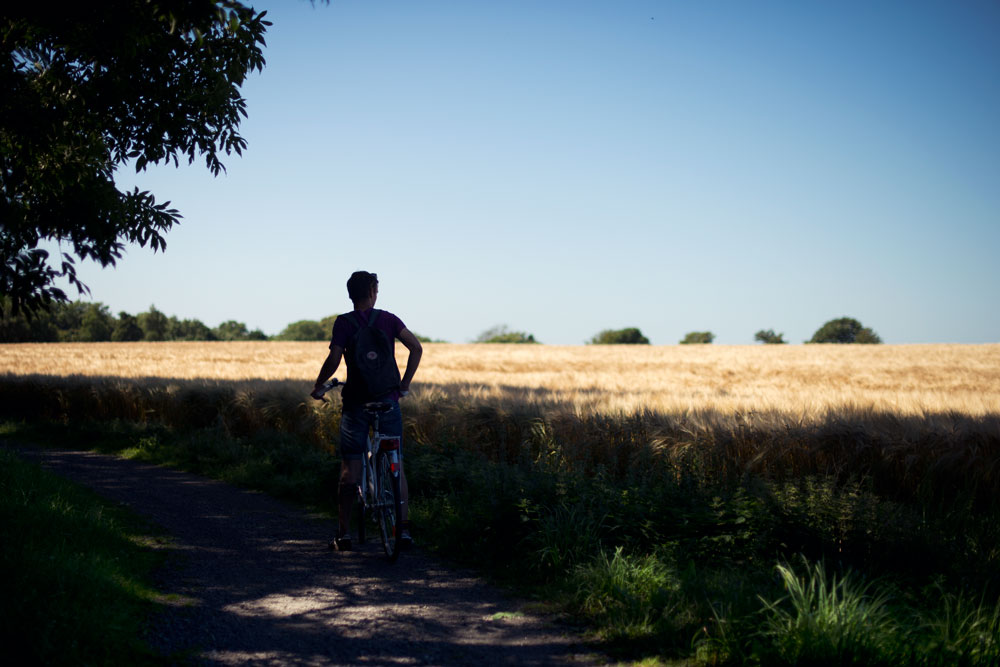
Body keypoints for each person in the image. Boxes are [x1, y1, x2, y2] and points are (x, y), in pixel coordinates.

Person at [311, 270, 423, 551]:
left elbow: (335, 358)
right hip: (388, 400)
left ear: (350, 294)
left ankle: (344, 534)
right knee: (396, 460)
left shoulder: (344, 323)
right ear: (373, 291)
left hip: (356, 403)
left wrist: (318, 385)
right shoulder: (389, 319)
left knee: (350, 468)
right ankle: (404, 530)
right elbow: (416, 348)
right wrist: (404, 384)